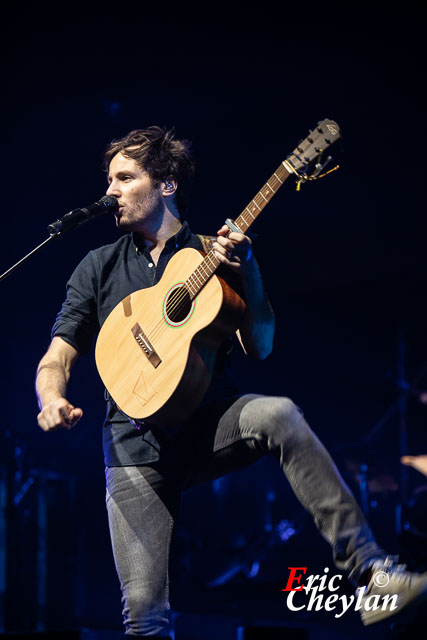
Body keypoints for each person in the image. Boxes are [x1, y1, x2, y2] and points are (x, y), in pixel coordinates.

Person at [36, 126, 427, 638]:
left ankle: (373, 575)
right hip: (130, 446)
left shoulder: (212, 254)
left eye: (125, 178)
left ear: (167, 183)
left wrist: (252, 272)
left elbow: (260, 345)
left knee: (280, 413)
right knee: (145, 617)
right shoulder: (98, 266)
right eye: (109, 179)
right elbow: (57, 355)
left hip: (206, 424)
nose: (111, 190)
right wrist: (51, 397)